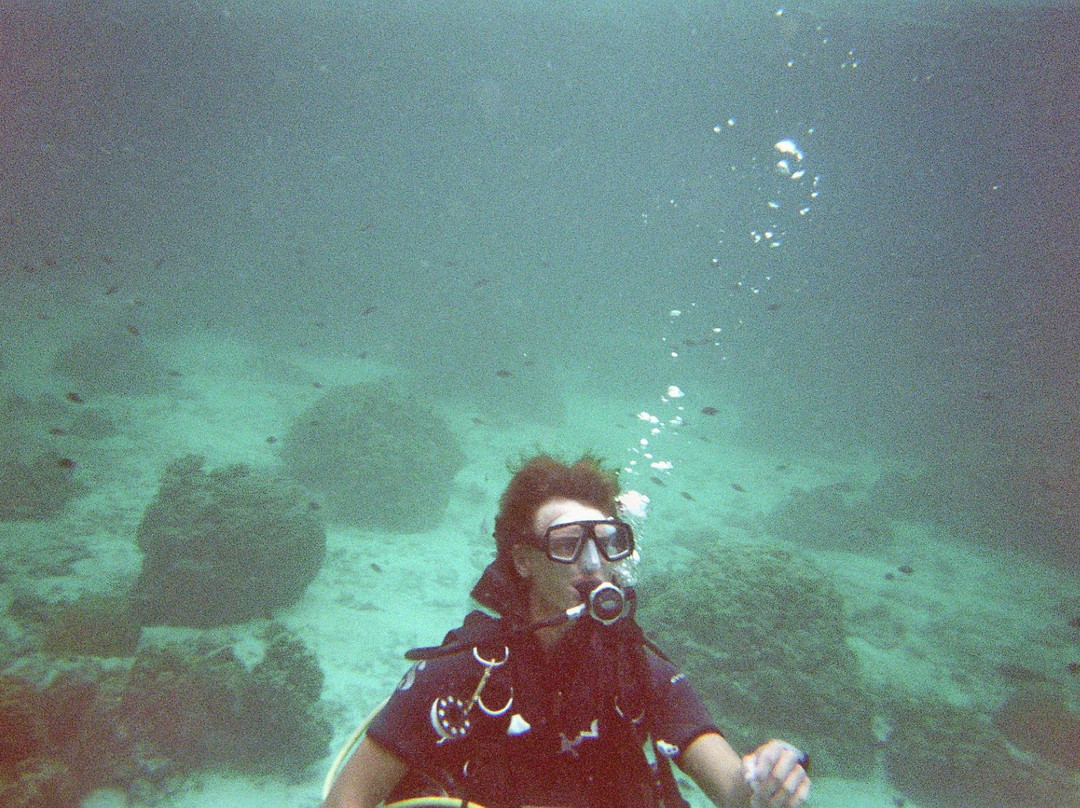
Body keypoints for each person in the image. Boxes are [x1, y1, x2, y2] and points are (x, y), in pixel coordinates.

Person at [323, 453, 811, 808]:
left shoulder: (639, 672)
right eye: (567, 543)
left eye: (608, 541)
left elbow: (734, 789)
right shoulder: (464, 672)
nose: (593, 563)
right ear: (523, 560)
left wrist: (766, 779)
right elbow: (348, 797)